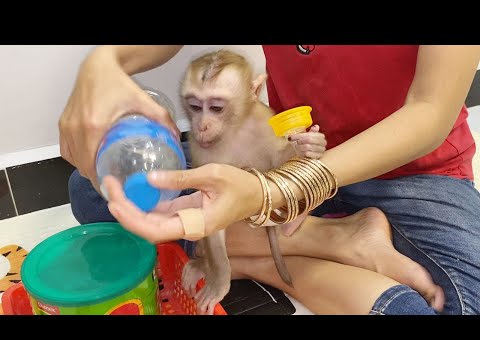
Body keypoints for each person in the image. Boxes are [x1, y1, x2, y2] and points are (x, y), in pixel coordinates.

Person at [61, 45, 480, 315]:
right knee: (97, 187)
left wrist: (276, 193)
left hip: (413, 173)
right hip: (286, 158)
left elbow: (430, 111)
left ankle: (264, 257)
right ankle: (332, 240)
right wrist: (103, 63)